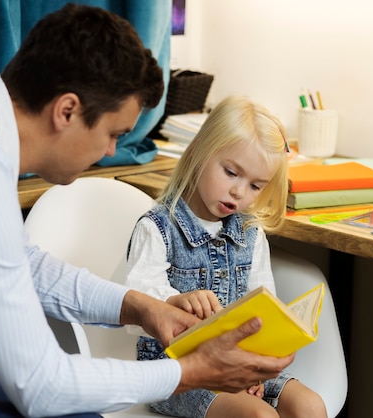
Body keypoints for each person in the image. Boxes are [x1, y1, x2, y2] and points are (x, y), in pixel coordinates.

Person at [0, 4, 294, 418]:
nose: (111, 151)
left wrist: (143, 307)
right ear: (67, 110)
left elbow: (25, 266)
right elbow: (41, 386)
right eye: (113, 133)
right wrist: (188, 372)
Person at [125, 96, 328, 418]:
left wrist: (256, 368)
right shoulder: (158, 228)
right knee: (259, 415)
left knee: (310, 406)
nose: (239, 192)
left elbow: (263, 306)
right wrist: (176, 301)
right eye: (231, 172)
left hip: (240, 362)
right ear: (201, 152)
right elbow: (135, 306)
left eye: (255, 185)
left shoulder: (250, 232)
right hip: (175, 372)